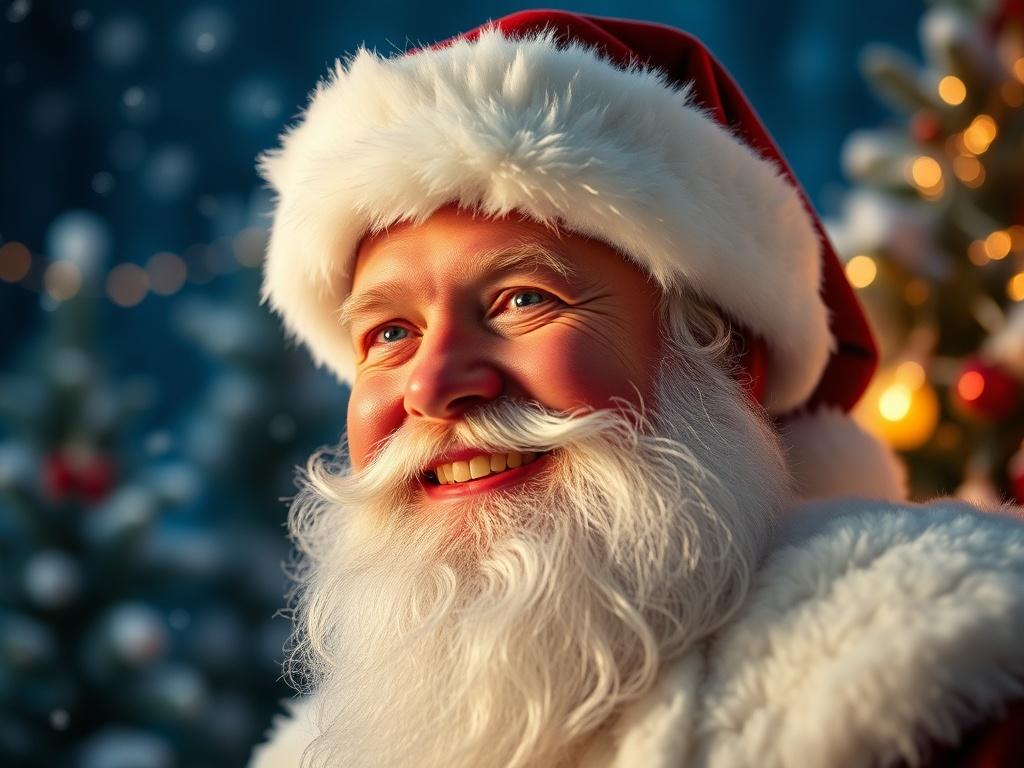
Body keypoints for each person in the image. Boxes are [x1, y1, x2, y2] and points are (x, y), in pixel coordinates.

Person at [248, 10, 1024, 768]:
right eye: (389, 333)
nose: (434, 384)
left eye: (524, 299)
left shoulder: (948, 679)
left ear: (722, 358)